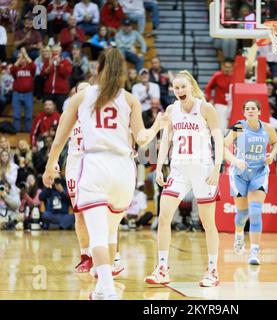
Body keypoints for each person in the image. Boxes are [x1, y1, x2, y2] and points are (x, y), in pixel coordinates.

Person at [42, 48, 166, 300]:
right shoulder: (130, 99)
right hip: (123, 170)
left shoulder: (81, 97)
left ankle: (108, 289)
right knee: (110, 232)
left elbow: (60, 138)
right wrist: (157, 126)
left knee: (97, 234)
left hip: (96, 165)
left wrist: (50, 164)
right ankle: (100, 289)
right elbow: (142, 140)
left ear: (97, 69)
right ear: (122, 72)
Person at [144, 70, 223, 287]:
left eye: (183, 87)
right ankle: (162, 268)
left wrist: (217, 167)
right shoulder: (171, 110)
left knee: (208, 223)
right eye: (176, 87)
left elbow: (219, 140)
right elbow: (166, 141)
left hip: (203, 169)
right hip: (178, 169)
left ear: (191, 87)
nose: (179, 90)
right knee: (164, 216)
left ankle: (213, 269)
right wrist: (160, 167)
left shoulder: (205, 108)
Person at [62, 82, 123, 276]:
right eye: (80, 91)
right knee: (79, 214)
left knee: (108, 214)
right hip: (74, 166)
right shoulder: (70, 115)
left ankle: (114, 256)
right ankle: (86, 256)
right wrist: (52, 162)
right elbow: (58, 140)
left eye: (87, 91)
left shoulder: (101, 115)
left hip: (97, 164)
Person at [224, 100, 277, 265]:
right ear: (244, 112)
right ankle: (239, 234)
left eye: (253, 108)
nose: (250, 110)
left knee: (255, 211)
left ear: (259, 111)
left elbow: (275, 143)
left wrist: (272, 155)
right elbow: (224, 145)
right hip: (240, 174)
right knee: (242, 215)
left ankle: (254, 251)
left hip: (259, 172)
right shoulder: (239, 127)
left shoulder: (268, 128)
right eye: (247, 108)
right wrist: (234, 160)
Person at [205, 58, 234, 134]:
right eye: (226, 67)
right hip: (220, 104)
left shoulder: (235, 76)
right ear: (222, 66)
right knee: (222, 125)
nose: (227, 69)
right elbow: (208, 88)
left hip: (232, 104)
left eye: (229, 67)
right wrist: (210, 99)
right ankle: (220, 142)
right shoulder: (217, 76)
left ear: (232, 67)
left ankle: (228, 143)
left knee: (232, 124)